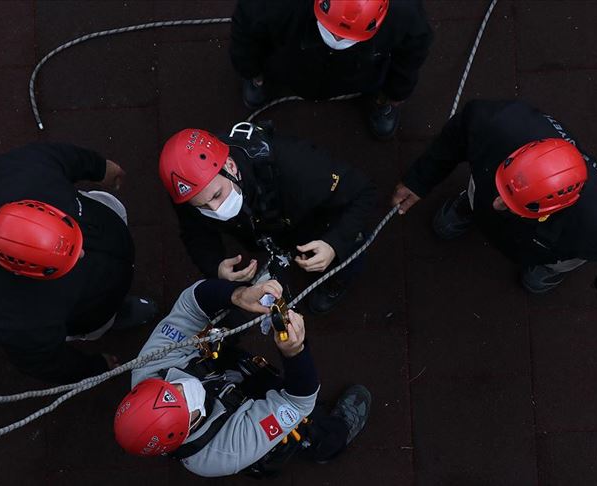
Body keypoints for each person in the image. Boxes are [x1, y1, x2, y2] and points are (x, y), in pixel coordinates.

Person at [391, 100, 597, 299]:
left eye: (510, 202)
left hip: (557, 242)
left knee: (562, 257)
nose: (496, 204)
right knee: (480, 194)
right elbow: (457, 135)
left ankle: (548, 267)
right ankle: (469, 205)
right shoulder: (497, 124)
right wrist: (420, 180)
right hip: (521, 207)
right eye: (503, 190)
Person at [113, 277, 371, 478]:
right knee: (300, 428)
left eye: (169, 387)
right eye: (181, 399)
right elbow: (298, 401)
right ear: (185, 430)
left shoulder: (150, 366)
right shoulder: (225, 451)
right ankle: (327, 441)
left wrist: (237, 295)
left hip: (222, 377)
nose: (180, 386)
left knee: (221, 321)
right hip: (239, 421)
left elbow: (192, 304)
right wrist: (295, 352)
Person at [0, 143, 158, 383]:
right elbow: (46, 363)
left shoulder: (22, 169)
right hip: (92, 310)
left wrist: (100, 168)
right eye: (64, 260)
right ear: (24, 271)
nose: (82, 254)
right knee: (99, 323)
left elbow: (59, 156)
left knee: (110, 208)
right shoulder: (19, 322)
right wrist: (93, 367)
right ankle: (116, 313)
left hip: (102, 225)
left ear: (45, 209)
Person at [158, 122, 376, 314]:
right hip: (271, 226)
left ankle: (336, 280)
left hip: (316, 220)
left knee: (350, 250)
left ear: (230, 166)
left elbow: (364, 193)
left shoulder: (299, 168)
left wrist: (334, 244)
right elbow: (195, 231)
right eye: (202, 206)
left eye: (217, 195)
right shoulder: (190, 191)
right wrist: (215, 266)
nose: (215, 210)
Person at [230, 0, 433, 140]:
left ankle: (382, 102)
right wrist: (250, 70)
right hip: (290, 59)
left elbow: (412, 53)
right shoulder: (273, 6)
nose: (336, 41)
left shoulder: (405, 14)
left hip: (363, 70)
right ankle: (261, 80)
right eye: (332, 32)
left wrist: (396, 92)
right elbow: (245, 29)